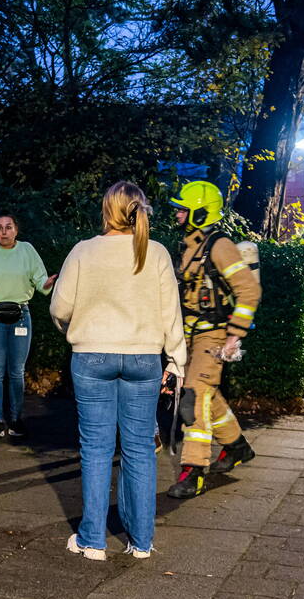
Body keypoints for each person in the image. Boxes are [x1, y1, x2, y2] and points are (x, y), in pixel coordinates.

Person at [50, 181, 186, 560]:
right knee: (140, 449)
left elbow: (59, 309)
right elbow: (170, 313)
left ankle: (92, 539)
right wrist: (176, 360)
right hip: (144, 358)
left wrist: (74, 333)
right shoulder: (155, 253)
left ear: (106, 210)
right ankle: (141, 541)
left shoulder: (83, 252)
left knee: (95, 448)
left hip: (92, 356)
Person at [166, 180, 261, 499]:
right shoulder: (191, 243)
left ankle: (193, 471)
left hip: (213, 334)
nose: (177, 213)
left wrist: (235, 334)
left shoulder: (219, 245)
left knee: (193, 398)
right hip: (191, 335)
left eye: (183, 208)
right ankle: (236, 446)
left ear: (201, 212)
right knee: (208, 393)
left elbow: (249, 290)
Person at [0, 214, 57, 438]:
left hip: (20, 316)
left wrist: (48, 283)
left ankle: (16, 419)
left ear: (16, 230)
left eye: (8, 227)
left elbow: (40, 282)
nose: (4, 232)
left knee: (17, 371)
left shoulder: (27, 250)